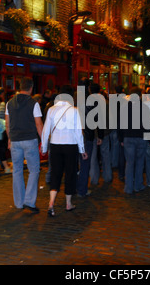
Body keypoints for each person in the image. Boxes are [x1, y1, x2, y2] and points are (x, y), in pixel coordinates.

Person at [41, 85, 88, 217]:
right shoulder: (74, 110)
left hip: (55, 145)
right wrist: (82, 149)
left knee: (55, 174)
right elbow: (78, 132)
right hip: (70, 146)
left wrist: (44, 148)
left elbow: (46, 131)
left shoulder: (51, 110)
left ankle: (51, 202)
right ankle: (68, 203)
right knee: (70, 173)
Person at [5, 77, 43, 213]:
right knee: (34, 170)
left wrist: (9, 139)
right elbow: (38, 124)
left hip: (15, 140)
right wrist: (44, 141)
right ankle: (29, 201)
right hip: (29, 140)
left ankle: (19, 202)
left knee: (17, 170)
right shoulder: (34, 103)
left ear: (19, 87)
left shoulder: (9, 103)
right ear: (31, 88)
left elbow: (7, 124)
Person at [118, 86, 150, 194]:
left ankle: (128, 187)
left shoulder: (124, 108)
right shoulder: (144, 108)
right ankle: (138, 185)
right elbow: (149, 125)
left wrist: (121, 139)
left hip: (128, 138)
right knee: (139, 162)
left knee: (129, 163)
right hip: (141, 138)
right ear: (140, 96)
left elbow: (119, 125)